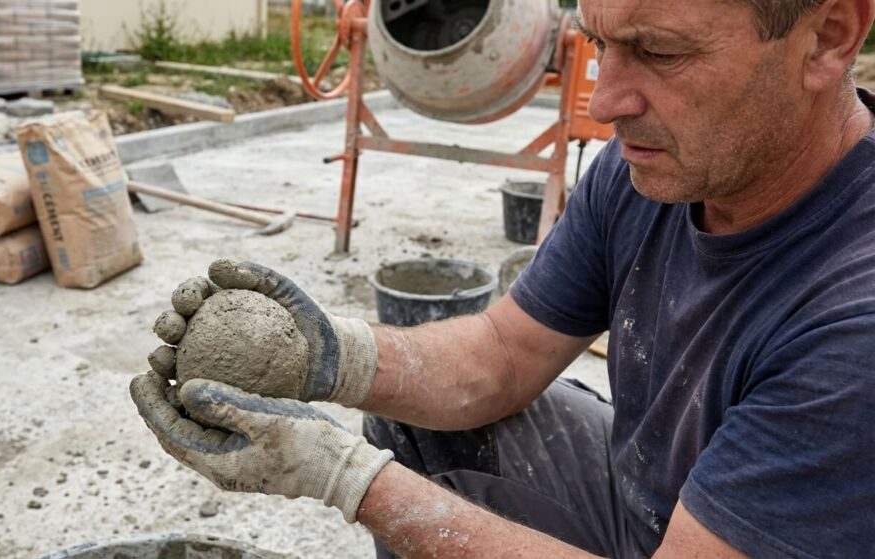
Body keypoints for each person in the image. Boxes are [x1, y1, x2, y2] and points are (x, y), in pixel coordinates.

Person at [130, 0, 875, 556]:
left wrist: (344, 478)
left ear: (828, 36)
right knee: (411, 414)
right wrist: (329, 355)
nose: (605, 102)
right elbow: (503, 354)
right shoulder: (655, 171)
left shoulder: (855, 317)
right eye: (600, 43)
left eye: (659, 51)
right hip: (650, 506)